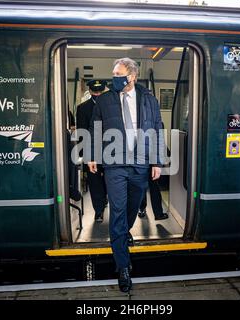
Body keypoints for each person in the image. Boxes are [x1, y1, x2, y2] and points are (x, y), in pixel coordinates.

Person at [88, 58, 164, 293]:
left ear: (131, 76)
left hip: (141, 164)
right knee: (118, 211)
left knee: (132, 208)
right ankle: (123, 266)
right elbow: (94, 128)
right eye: (113, 73)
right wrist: (92, 156)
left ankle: (123, 233)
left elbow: (158, 128)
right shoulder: (106, 100)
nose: (114, 77)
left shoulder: (149, 99)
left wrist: (157, 161)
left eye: (118, 73)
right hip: (115, 164)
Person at [76, 80, 108, 222]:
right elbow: (82, 132)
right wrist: (85, 155)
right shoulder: (82, 108)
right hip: (92, 152)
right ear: (89, 91)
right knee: (94, 183)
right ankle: (99, 211)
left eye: (99, 91)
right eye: (95, 92)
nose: (97, 94)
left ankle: (105, 199)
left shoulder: (111, 107)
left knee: (110, 180)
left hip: (110, 152)